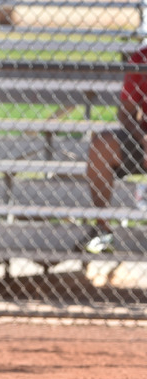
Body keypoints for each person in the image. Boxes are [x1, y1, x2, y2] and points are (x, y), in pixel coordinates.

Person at [79, 45, 147, 254]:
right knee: (102, 145)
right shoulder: (142, 57)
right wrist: (144, 140)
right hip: (143, 140)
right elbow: (125, 113)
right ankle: (103, 231)